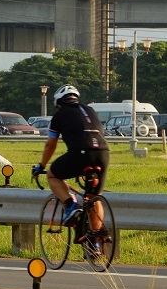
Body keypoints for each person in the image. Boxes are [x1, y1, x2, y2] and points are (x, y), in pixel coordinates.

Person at [33, 84, 110, 225]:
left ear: (59, 103)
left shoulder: (59, 115)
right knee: (94, 197)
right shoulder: (90, 110)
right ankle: (97, 236)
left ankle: (71, 205)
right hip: (103, 153)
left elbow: (50, 145)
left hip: (81, 153)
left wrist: (41, 166)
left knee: (52, 175)